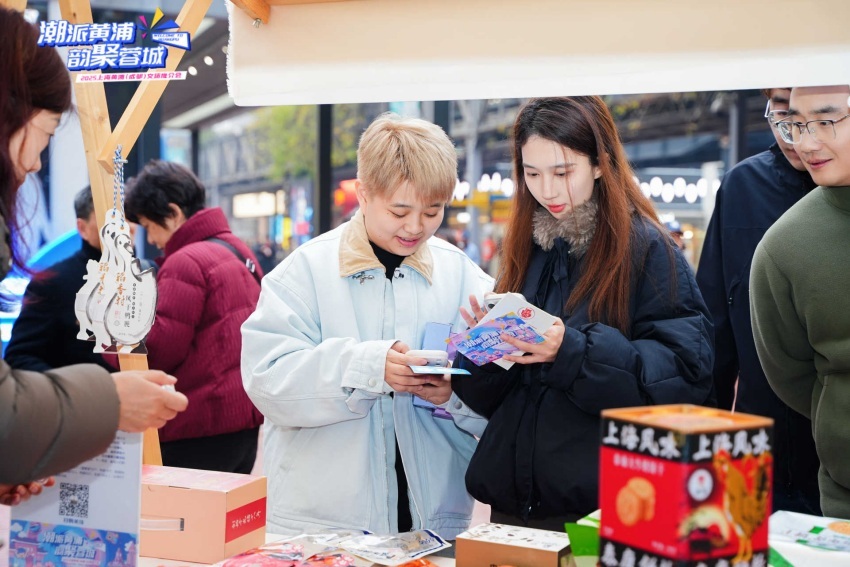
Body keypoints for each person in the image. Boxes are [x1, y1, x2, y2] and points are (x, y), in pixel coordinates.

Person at [451, 97, 714, 530]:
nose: (547, 190)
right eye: (532, 174)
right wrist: (484, 349)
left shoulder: (648, 248)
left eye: (562, 172)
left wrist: (570, 351)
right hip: (514, 510)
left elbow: (684, 374)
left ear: (599, 164)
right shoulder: (528, 248)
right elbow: (492, 401)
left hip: (609, 512)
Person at [241, 114, 494, 537]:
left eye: (432, 211)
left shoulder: (465, 278)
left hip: (434, 525)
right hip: (323, 528)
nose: (415, 226)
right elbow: (266, 381)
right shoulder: (305, 272)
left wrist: (455, 395)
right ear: (363, 193)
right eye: (399, 210)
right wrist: (367, 367)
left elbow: (498, 405)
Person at [0, 6, 187, 497]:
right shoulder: (55, 279)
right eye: (44, 134)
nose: (35, 164)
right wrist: (104, 397)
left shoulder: (143, 272)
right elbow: (15, 378)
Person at [696, 88, 820, 515]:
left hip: (834, 457)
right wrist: (703, 441)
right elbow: (713, 327)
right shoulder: (742, 187)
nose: (793, 133)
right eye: (781, 112)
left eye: (811, 117)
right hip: (754, 449)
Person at [123, 160, 264, 474]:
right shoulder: (238, 250)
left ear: (173, 213)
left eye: (149, 225)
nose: (152, 238)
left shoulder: (185, 262)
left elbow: (160, 351)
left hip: (196, 429)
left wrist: (115, 329)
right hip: (243, 423)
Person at [751, 84, 850, 520]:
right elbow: (791, 376)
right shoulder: (784, 247)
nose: (806, 143)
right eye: (795, 124)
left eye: (825, 121)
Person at [5, 186, 117, 372]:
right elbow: (19, 357)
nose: (125, 226)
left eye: (130, 217)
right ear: (82, 228)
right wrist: (78, 387)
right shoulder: (52, 283)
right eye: (111, 218)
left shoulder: (149, 275)